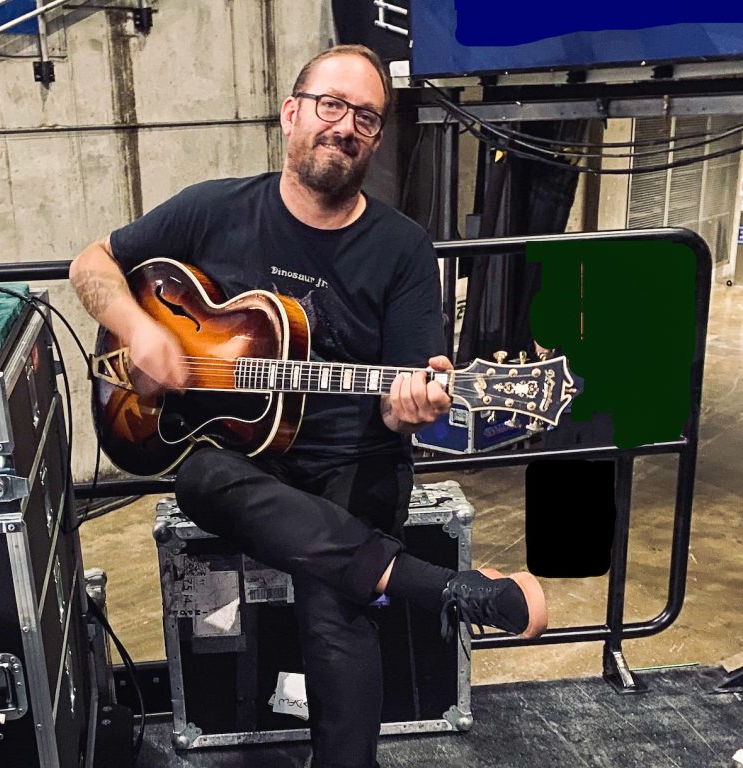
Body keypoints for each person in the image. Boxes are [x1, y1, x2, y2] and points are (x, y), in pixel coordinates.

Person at [70, 44, 547, 768]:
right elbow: (90, 263)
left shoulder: (403, 248)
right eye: (331, 105)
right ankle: (440, 590)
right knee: (199, 479)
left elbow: (406, 395)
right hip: (242, 460)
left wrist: (411, 407)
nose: (346, 126)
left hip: (353, 460)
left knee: (334, 608)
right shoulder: (213, 209)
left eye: (366, 116)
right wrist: (139, 333)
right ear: (292, 113)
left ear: (377, 139)